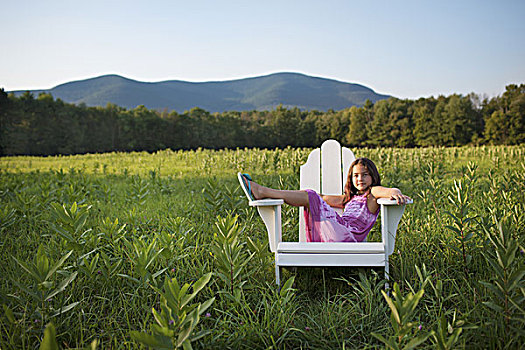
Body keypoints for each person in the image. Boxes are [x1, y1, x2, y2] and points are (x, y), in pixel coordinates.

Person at [238, 157, 411, 243]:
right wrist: (310, 197)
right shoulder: (348, 199)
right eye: (356, 176)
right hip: (340, 230)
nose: (360, 179)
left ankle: (263, 191)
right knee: (312, 196)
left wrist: (394, 192)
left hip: (348, 236)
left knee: (311, 197)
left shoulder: (371, 195)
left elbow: (384, 190)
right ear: (351, 179)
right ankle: (263, 191)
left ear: (373, 176)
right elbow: (322, 198)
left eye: (365, 175)